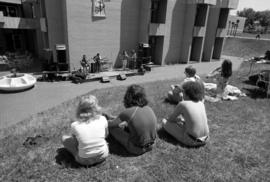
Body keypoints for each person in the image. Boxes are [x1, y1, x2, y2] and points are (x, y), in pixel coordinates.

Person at [108, 84, 157, 155]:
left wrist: (103, 120)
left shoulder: (128, 112)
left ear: (128, 98)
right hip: (152, 145)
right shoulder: (149, 108)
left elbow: (110, 124)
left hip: (137, 149)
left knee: (113, 129)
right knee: (126, 125)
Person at [62, 95, 109, 166]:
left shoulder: (75, 125)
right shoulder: (102, 119)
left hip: (84, 161)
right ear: (96, 107)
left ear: (80, 109)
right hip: (103, 155)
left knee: (64, 138)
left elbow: (75, 143)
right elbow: (106, 135)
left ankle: (76, 155)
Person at [162, 81, 209, 147]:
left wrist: (178, 120)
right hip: (206, 139)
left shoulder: (183, 104)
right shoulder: (201, 103)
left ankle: (185, 137)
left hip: (192, 141)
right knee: (183, 123)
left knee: (164, 122)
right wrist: (182, 120)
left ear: (187, 94)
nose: (182, 94)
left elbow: (170, 120)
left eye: (183, 92)